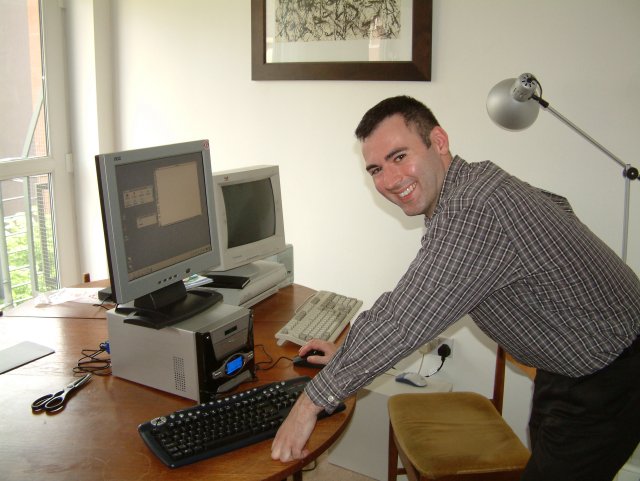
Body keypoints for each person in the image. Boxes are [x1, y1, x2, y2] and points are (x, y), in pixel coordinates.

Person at [271, 95, 640, 480]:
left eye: (400, 157)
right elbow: (557, 206)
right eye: (376, 169)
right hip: (573, 361)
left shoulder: (473, 207)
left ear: (439, 142)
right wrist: (348, 353)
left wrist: (309, 404)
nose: (390, 181)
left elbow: (404, 318)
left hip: (607, 376)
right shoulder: (477, 181)